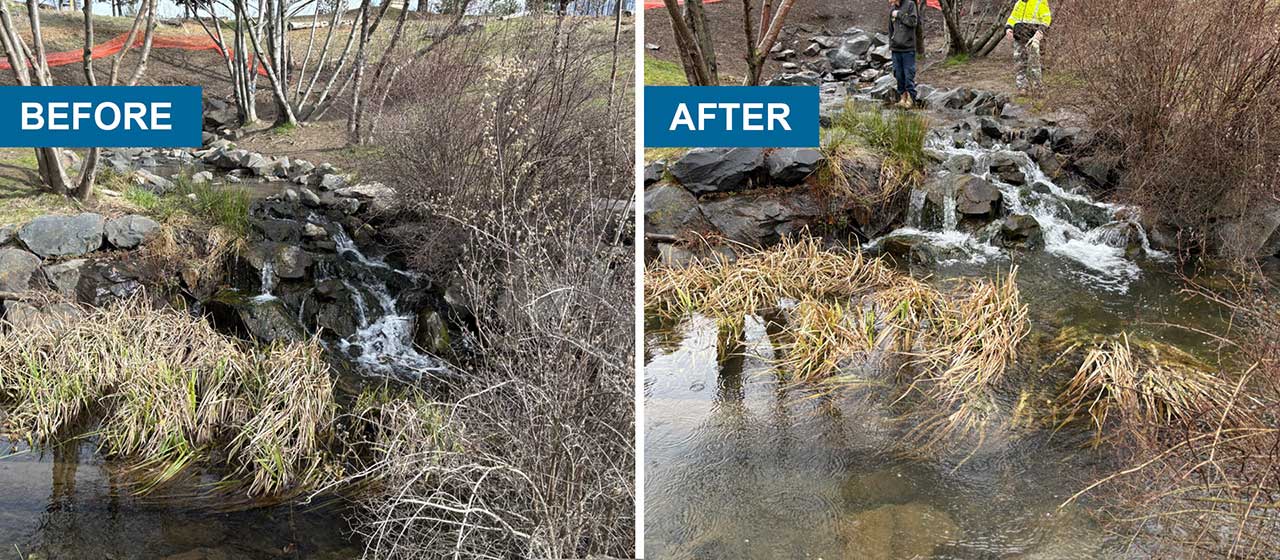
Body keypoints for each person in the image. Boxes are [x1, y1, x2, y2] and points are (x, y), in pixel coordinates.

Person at [1004, 0, 1052, 93]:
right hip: (1019, 37)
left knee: (1035, 64)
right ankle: (1022, 87)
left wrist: (1041, 30)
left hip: (1033, 38)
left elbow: (1046, 18)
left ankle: (1037, 88)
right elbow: (1012, 18)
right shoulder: (1019, 3)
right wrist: (1008, 28)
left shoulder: (1040, 2)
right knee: (1020, 63)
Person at [888, 0, 919, 108]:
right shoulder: (892, 9)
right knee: (898, 74)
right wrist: (890, 44)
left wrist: (899, 15)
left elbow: (913, 22)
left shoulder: (910, 4)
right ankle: (903, 98)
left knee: (908, 74)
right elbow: (890, 29)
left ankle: (911, 99)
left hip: (908, 48)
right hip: (895, 48)